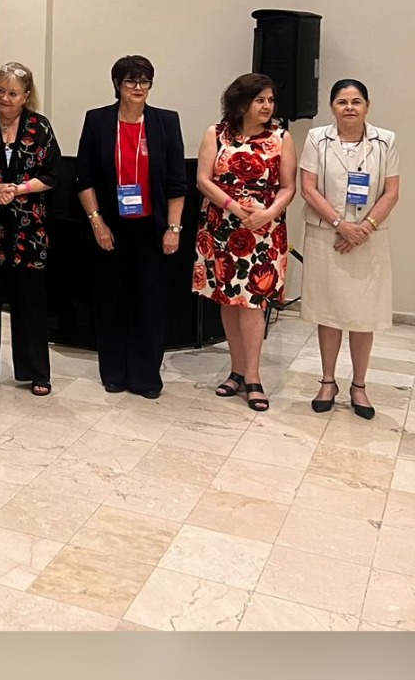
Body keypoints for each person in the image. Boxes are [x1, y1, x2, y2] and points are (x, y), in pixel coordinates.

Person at [75, 55, 187, 400]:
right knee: (110, 300)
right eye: (131, 81)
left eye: (144, 81)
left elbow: (177, 182)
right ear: (117, 85)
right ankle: (113, 372)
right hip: (110, 227)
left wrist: (174, 228)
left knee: (149, 304)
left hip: (152, 229)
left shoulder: (166, 122)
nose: (138, 88)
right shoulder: (97, 121)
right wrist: (97, 222)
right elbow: (84, 178)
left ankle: (145, 376)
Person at [193, 72, 297, 412]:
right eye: (260, 100)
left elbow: (288, 187)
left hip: (263, 231)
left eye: (271, 100)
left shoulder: (281, 137)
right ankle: (236, 371)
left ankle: (253, 377)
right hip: (222, 226)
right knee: (228, 300)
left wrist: (269, 213)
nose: (267, 106)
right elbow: (203, 180)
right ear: (241, 102)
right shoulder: (216, 133)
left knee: (253, 303)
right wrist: (234, 208)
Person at [300, 79, 400, 421]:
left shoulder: (386, 140)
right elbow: (308, 188)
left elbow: (391, 191)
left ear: (367, 106)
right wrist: (340, 224)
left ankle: (359, 385)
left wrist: (364, 228)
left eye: (356, 101)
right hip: (326, 236)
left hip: (369, 239)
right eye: (342, 102)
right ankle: (327, 382)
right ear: (332, 107)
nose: (349, 108)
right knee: (328, 311)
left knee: (363, 315)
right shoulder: (317, 138)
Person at [0, 62, 60, 395]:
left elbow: (52, 175)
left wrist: (17, 189)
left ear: (26, 96)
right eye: (0, 90)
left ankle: (36, 373)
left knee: (30, 300)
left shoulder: (39, 126)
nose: (5, 98)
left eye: (13, 93)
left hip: (29, 228)